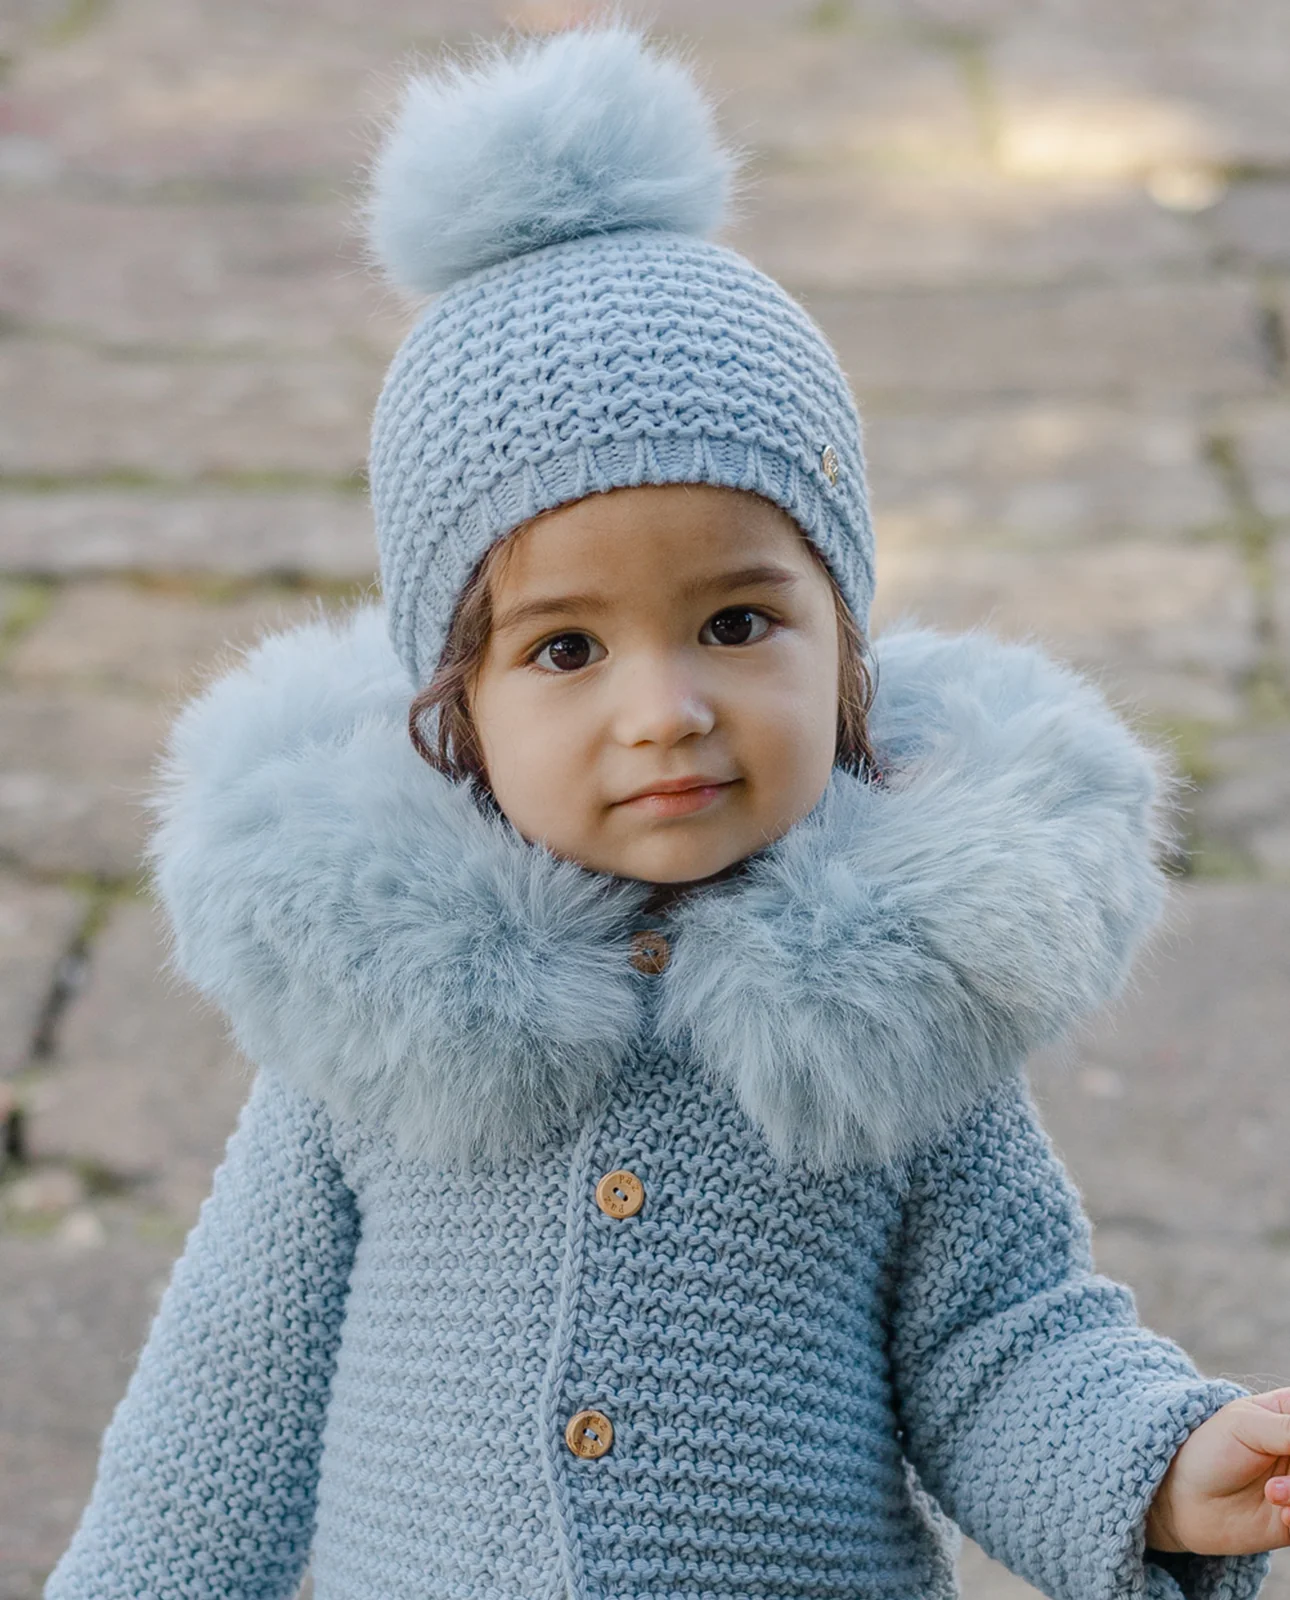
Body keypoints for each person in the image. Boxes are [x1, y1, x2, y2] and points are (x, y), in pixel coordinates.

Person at [44, 23, 1290, 1600]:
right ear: (455, 704)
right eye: (565, 649)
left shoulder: (906, 1023)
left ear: (844, 644)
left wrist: (1157, 1469)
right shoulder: (371, 1031)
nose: (664, 710)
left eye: (736, 623)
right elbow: (225, 1402)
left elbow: (1005, 1344)